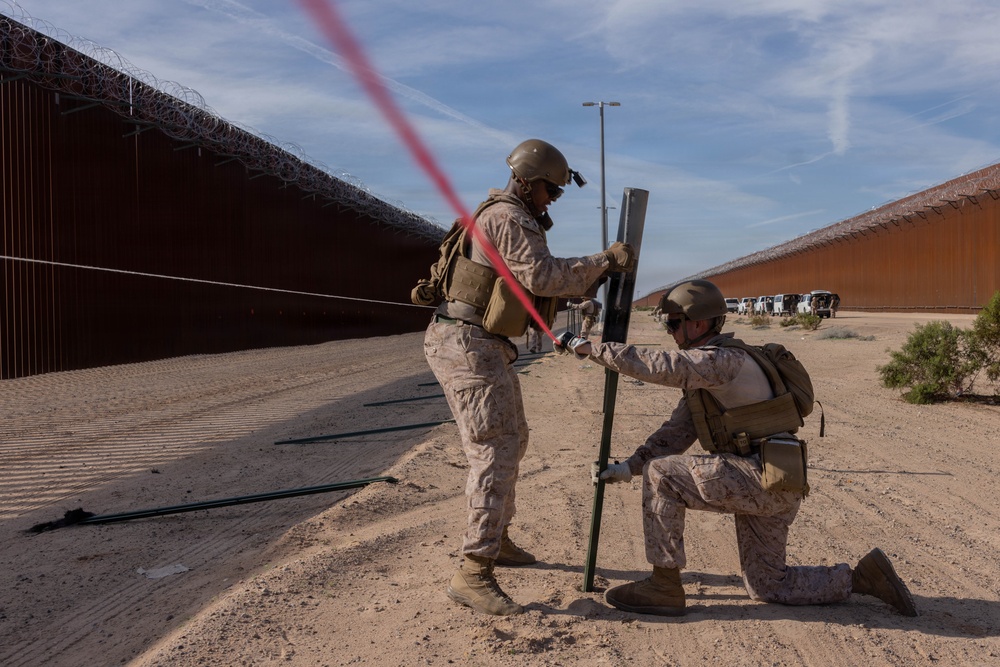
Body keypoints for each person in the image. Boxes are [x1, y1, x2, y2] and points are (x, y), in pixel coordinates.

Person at [557, 279, 917, 618]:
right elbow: (676, 434)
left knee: (663, 475)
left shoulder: (722, 360)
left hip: (760, 476)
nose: (670, 332)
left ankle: (664, 586)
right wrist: (627, 468)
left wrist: (595, 350)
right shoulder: (708, 373)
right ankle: (862, 579)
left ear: (697, 324)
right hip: (774, 480)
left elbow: (666, 367)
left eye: (673, 324)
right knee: (768, 585)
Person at [416, 139, 636, 616]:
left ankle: (498, 537)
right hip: (468, 346)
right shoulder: (509, 217)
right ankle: (473, 571)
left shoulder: (509, 216)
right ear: (527, 181)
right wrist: (604, 262)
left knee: (513, 440)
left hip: (482, 344)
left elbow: (524, 287)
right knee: (494, 449)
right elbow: (539, 276)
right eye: (550, 192)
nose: (550, 201)